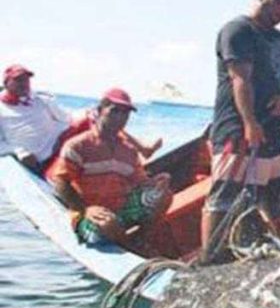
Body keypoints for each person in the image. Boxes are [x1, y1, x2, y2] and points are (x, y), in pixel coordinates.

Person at [202, 0, 280, 257]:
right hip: (238, 130)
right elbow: (240, 79)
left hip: (276, 132)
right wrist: (250, 123)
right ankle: (210, 260)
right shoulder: (238, 30)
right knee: (225, 200)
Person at [49, 89, 172, 247]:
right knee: (107, 223)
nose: (120, 117)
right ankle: (130, 246)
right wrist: (85, 209)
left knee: (163, 195)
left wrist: (156, 182)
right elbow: (60, 182)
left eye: (125, 113)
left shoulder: (128, 150)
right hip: (90, 214)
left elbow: (139, 182)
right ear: (100, 110)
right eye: (115, 111)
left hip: (121, 209)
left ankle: (142, 238)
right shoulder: (78, 146)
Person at [0, 64, 160, 174]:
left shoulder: (40, 99)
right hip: (39, 158)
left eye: (26, 79)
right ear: (6, 83)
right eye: (18, 80)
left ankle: (139, 153)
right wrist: (19, 152)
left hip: (59, 141)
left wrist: (87, 113)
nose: (24, 83)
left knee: (98, 118)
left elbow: (66, 118)